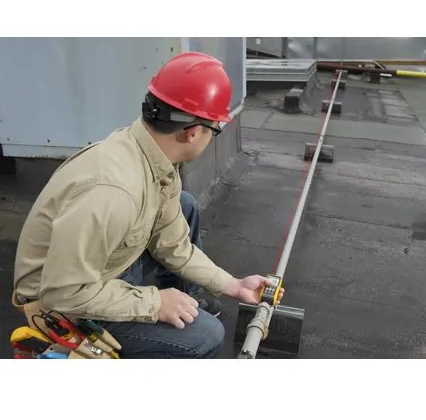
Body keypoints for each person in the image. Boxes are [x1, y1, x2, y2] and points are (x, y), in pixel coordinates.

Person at [12, 51, 283, 359]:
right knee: (206, 336)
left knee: (184, 205)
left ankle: (183, 304)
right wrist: (154, 303)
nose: (212, 137)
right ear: (193, 132)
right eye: (215, 129)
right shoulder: (114, 192)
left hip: (92, 270)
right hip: (58, 305)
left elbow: (174, 246)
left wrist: (234, 285)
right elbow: (64, 292)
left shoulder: (153, 157)